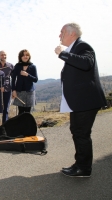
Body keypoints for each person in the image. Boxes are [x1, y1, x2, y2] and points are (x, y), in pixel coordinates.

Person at [54, 23, 107, 177]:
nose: (59, 35)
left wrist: (63, 54)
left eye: (62, 32)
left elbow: (86, 63)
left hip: (86, 101)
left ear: (72, 33)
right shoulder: (75, 48)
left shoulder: (83, 46)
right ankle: (80, 165)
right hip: (79, 101)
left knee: (81, 133)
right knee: (77, 131)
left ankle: (84, 168)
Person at [12, 49, 38, 115]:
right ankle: (20, 125)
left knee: (28, 113)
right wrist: (13, 90)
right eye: (23, 55)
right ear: (20, 57)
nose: (25, 56)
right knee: (20, 112)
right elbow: (13, 79)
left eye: (27, 55)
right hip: (19, 92)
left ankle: (27, 125)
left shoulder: (33, 67)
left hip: (30, 92)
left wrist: (27, 75)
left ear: (29, 56)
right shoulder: (17, 66)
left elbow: (35, 79)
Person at [0, 51, 14, 124]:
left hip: (8, 89)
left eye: (5, 55)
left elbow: (13, 78)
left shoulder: (10, 66)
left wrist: (14, 90)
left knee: (6, 110)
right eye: (2, 55)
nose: (3, 56)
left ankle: (5, 126)